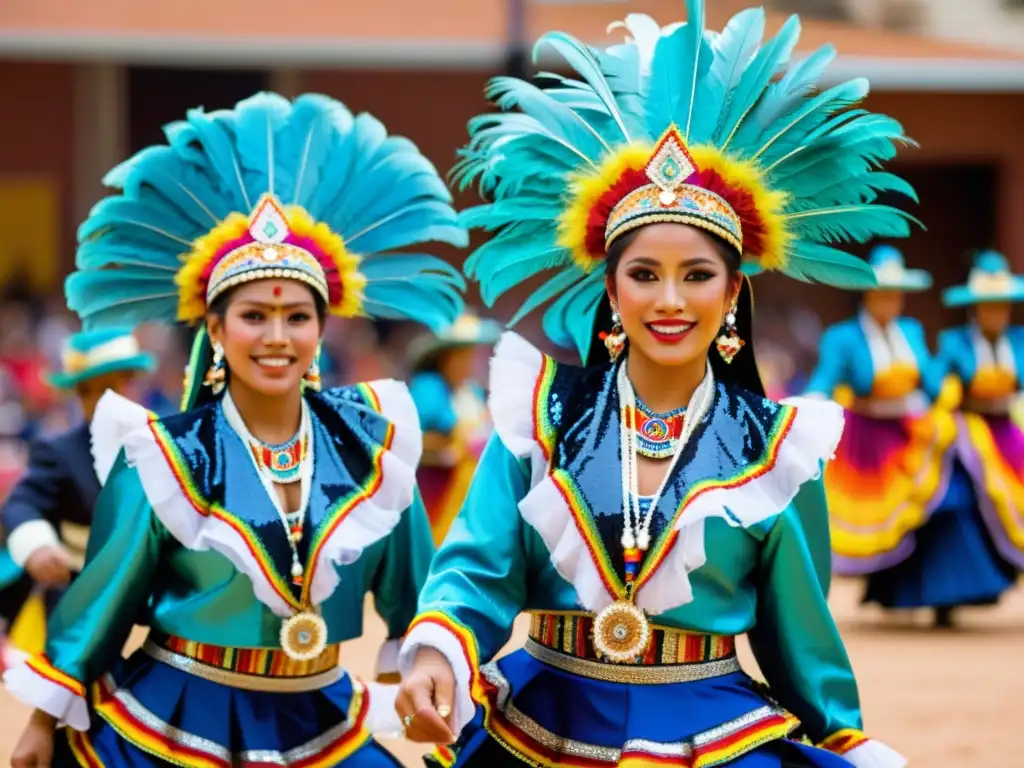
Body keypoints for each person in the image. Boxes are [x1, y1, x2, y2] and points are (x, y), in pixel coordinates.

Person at [395, 2, 910, 766]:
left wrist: (843, 738)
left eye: (697, 276)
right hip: (540, 720)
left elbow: (801, 636)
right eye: (644, 275)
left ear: (733, 292)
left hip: (714, 729)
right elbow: (476, 566)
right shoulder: (539, 415)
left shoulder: (777, 451)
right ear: (612, 287)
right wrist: (437, 647)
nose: (670, 301)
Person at [5, 91, 467, 767]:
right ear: (216, 330)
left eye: (298, 318)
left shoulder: (373, 450)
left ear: (322, 328)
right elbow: (99, 603)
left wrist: (432, 669)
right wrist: (44, 722)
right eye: (254, 317)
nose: (277, 337)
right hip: (178, 718)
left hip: (323, 715)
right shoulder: (163, 457)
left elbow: (418, 595)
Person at [863, 250, 1021, 625]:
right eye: (988, 306)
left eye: (1001, 306)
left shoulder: (1019, 343)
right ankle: (924, 590)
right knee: (946, 502)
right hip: (964, 436)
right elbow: (936, 381)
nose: (995, 314)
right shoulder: (954, 344)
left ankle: (984, 581)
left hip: (1005, 436)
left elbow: (929, 381)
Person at [803, 246, 956, 589]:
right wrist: (809, 402)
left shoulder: (911, 331)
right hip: (866, 437)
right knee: (868, 513)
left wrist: (949, 379)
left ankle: (921, 584)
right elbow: (826, 378)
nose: (890, 301)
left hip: (908, 430)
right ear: (866, 295)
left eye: (895, 294)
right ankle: (885, 585)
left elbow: (930, 379)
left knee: (939, 502)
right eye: (882, 293)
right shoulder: (843, 337)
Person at [0, 327, 156, 652]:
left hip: (156, 604)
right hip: (79, 601)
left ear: (133, 383)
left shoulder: (169, 444)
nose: (102, 401)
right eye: (88, 391)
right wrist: (37, 546)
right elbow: (23, 503)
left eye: (114, 386)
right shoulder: (60, 451)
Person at [408, 313, 501, 544]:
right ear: (445, 357)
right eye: (461, 355)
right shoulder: (428, 390)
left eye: (470, 354)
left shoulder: (471, 393)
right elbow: (412, 440)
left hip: (470, 497)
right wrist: (451, 449)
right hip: (436, 496)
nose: (468, 362)